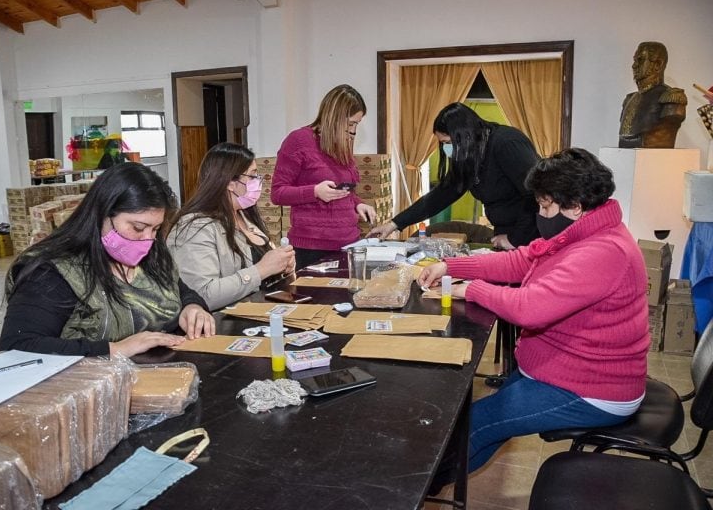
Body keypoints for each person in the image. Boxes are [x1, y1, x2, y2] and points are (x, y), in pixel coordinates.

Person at [418, 147, 649, 483]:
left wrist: (470, 289)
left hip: (594, 389)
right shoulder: (580, 232)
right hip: (563, 370)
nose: (540, 213)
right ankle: (432, 482)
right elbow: (520, 260)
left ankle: (414, 490)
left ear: (574, 206)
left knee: (479, 422)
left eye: (545, 205)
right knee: (476, 421)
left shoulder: (604, 251)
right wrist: (450, 265)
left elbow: (530, 309)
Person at [0, 162, 215, 358]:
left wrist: (192, 306)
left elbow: (178, 289)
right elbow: (17, 346)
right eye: (137, 228)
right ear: (102, 214)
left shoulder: (152, 253)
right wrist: (115, 349)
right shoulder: (52, 273)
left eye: (155, 229)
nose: (148, 239)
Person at [368, 103, 540, 250]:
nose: (446, 149)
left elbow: (537, 195)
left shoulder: (507, 143)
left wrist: (516, 238)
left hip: (530, 234)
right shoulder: (469, 155)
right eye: (442, 144)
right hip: (505, 233)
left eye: (448, 143)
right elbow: (441, 195)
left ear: (465, 136)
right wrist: (394, 224)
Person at [167, 143, 295, 311]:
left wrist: (283, 267)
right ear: (230, 183)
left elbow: (266, 270)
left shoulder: (243, 215)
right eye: (252, 176)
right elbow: (202, 295)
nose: (258, 183)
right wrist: (261, 270)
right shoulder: (195, 227)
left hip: (261, 311)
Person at [272, 84, 377, 269]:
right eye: (350, 123)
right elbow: (278, 193)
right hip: (311, 249)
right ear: (334, 117)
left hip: (348, 244)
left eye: (356, 125)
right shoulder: (298, 141)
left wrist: (358, 203)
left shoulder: (342, 145)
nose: (353, 131)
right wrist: (314, 191)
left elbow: (344, 191)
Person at [619, 41, 687, 148]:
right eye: (635, 60)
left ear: (657, 64)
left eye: (640, 60)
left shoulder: (670, 98)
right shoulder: (629, 98)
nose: (634, 65)